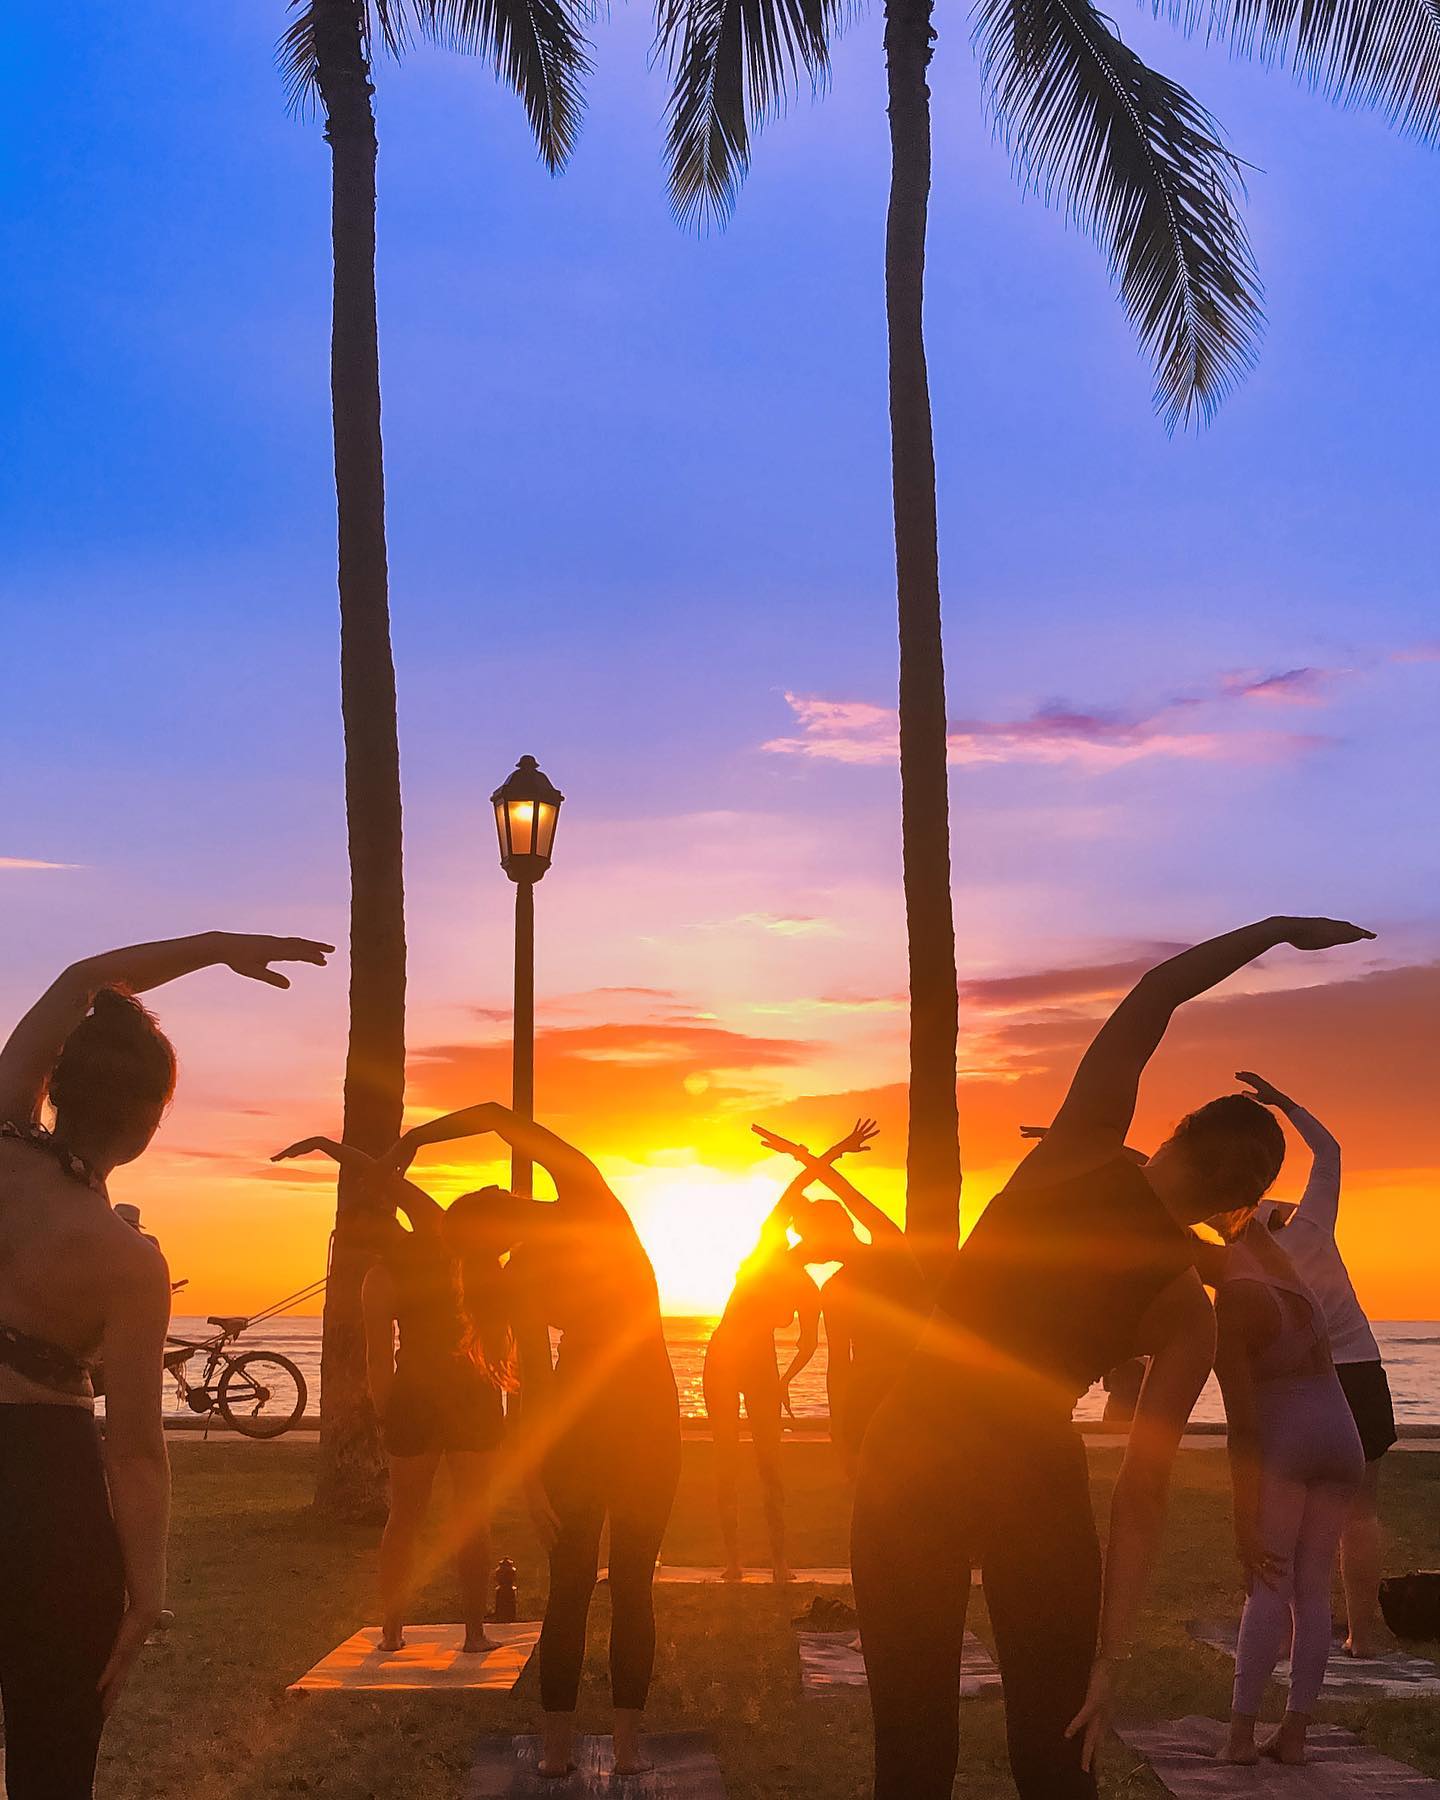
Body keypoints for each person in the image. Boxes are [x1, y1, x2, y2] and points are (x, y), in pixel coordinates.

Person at [851, 915, 1373, 1800]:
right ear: (1238, 1206)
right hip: (1030, 1476)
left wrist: (1277, 931)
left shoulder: (1075, 1152)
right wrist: (1109, 1660)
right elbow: (1143, 1492)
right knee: (1061, 1752)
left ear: (1170, 1137)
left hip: (911, 1450)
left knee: (912, 1740)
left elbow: (1156, 995)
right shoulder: (1185, 1310)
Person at [0, 930, 329, 1799]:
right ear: (147, 1124)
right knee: (51, 1757)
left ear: (58, 1084)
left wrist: (216, 945)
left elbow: (79, 974)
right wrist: (145, 1596)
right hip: (46, 1499)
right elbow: (136, 1451)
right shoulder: (125, 1260)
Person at [376, 1103, 680, 1780]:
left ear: (504, 1212)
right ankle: (557, 1745)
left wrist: (419, 1137)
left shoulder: (591, 1202)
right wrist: (532, 1474)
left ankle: (626, 1744)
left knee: (633, 1588)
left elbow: (500, 1116)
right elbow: (536, 1387)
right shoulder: (528, 1271)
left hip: (648, 1428)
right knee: (570, 1588)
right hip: (587, 1433)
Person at [272, 1137, 516, 1654]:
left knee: (406, 1516)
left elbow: (379, 1362)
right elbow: (389, 1177)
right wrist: (331, 1148)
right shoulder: (437, 1238)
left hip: (421, 1397)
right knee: (464, 1515)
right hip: (465, 1391)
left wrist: (388, 1412)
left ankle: (393, 1634)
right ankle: (471, 1634)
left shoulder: (382, 1273)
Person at [1239, 1072, 1398, 1657]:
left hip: (1295, 1384)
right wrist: (1286, 1105)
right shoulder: (1310, 1227)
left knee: (1283, 1512)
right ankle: (1365, 1634)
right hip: (1356, 1370)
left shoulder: (1238, 1254)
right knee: (1360, 1511)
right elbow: (1328, 1151)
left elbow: (1182, 1188)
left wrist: (1114, 1155)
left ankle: (1279, 1634)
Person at [1202, 1193, 1364, 1766]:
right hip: (1342, 1439)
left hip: (1287, 1442)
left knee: (1267, 1580)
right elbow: (1218, 1204)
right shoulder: (1288, 1275)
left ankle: (1240, 1738)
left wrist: (1240, 1516)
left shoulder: (1236, 1302)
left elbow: (1244, 1429)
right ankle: (1294, 1735)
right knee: (1312, 1589)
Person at [751, 1120, 927, 1475]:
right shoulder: (838, 1286)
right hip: (877, 1401)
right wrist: (839, 1429)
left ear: (831, 1234)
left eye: (808, 1239)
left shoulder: (888, 1248)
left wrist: (804, 1155)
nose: (804, 1249)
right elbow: (838, 1368)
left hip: (911, 1395)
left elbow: (847, 1193)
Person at [702, 1138, 834, 1582]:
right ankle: (733, 1563)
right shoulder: (764, 1251)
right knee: (725, 1458)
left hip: (759, 1362)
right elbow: (792, 1191)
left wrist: (786, 1381)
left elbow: (809, 1344)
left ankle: (779, 1562)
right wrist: (825, 1156)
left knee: (769, 1462)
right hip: (723, 1356)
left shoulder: (805, 1287)